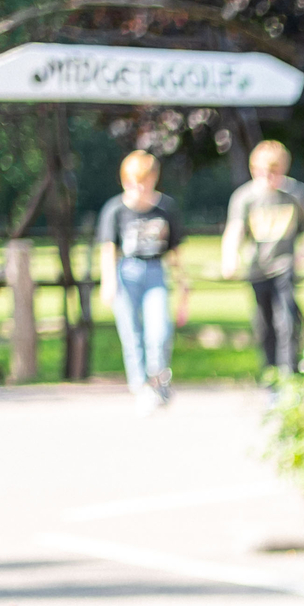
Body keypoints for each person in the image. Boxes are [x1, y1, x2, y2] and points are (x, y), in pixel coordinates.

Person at [220, 139, 304, 375]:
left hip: (284, 266)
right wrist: (230, 258)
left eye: (273, 172)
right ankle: (270, 373)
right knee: (264, 324)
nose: (268, 177)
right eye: (262, 172)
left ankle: (288, 373)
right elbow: (234, 230)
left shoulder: (295, 192)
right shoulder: (245, 197)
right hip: (257, 269)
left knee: (286, 321)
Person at [97, 150, 186, 411]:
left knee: (159, 331)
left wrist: (183, 283)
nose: (139, 187)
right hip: (126, 272)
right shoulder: (115, 209)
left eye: (144, 180)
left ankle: (158, 377)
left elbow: (175, 249)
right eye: (133, 181)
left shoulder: (166, 208)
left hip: (156, 270)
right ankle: (141, 387)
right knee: (131, 334)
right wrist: (108, 281)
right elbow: (108, 247)